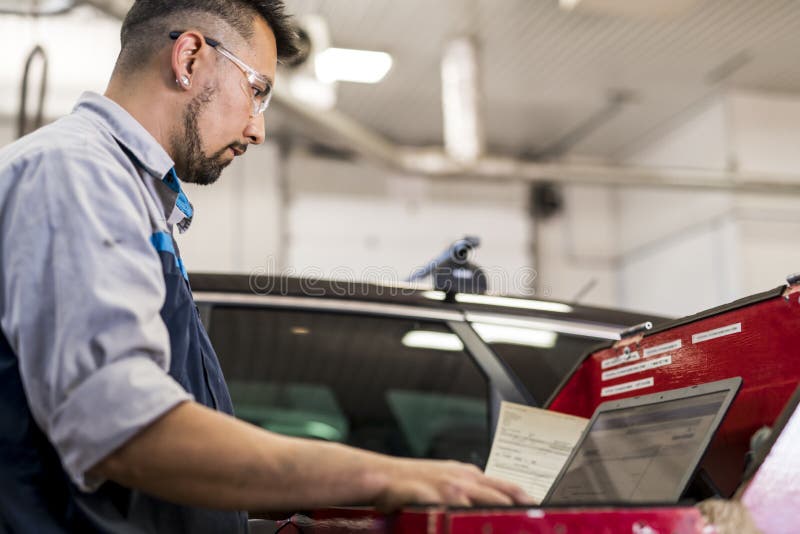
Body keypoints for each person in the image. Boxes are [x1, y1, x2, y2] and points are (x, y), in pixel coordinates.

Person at [0, 1, 533, 532]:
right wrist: (383, 476)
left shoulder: (126, 194)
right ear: (188, 58)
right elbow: (118, 426)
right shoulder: (75, 174)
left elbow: (137, 493)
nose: (257, 130)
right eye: (257, 91)